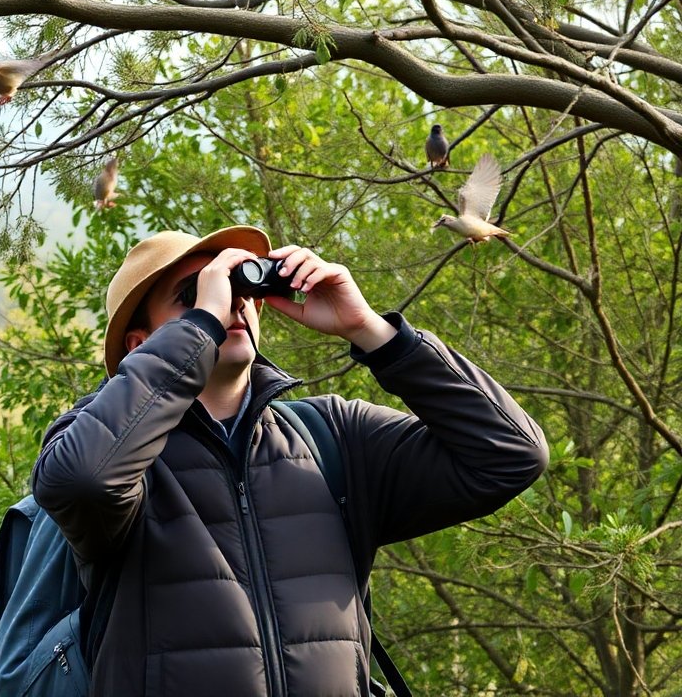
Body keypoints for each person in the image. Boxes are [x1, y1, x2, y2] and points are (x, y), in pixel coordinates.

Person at [32, 226, 548, 697]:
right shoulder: (114, 455)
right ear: (141, 345)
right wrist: (199, 330)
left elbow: (509, 454)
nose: (228, 303)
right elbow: (81, 481)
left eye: (237, 285)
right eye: (194, 295)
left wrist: (370, 329)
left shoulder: (332, 438)